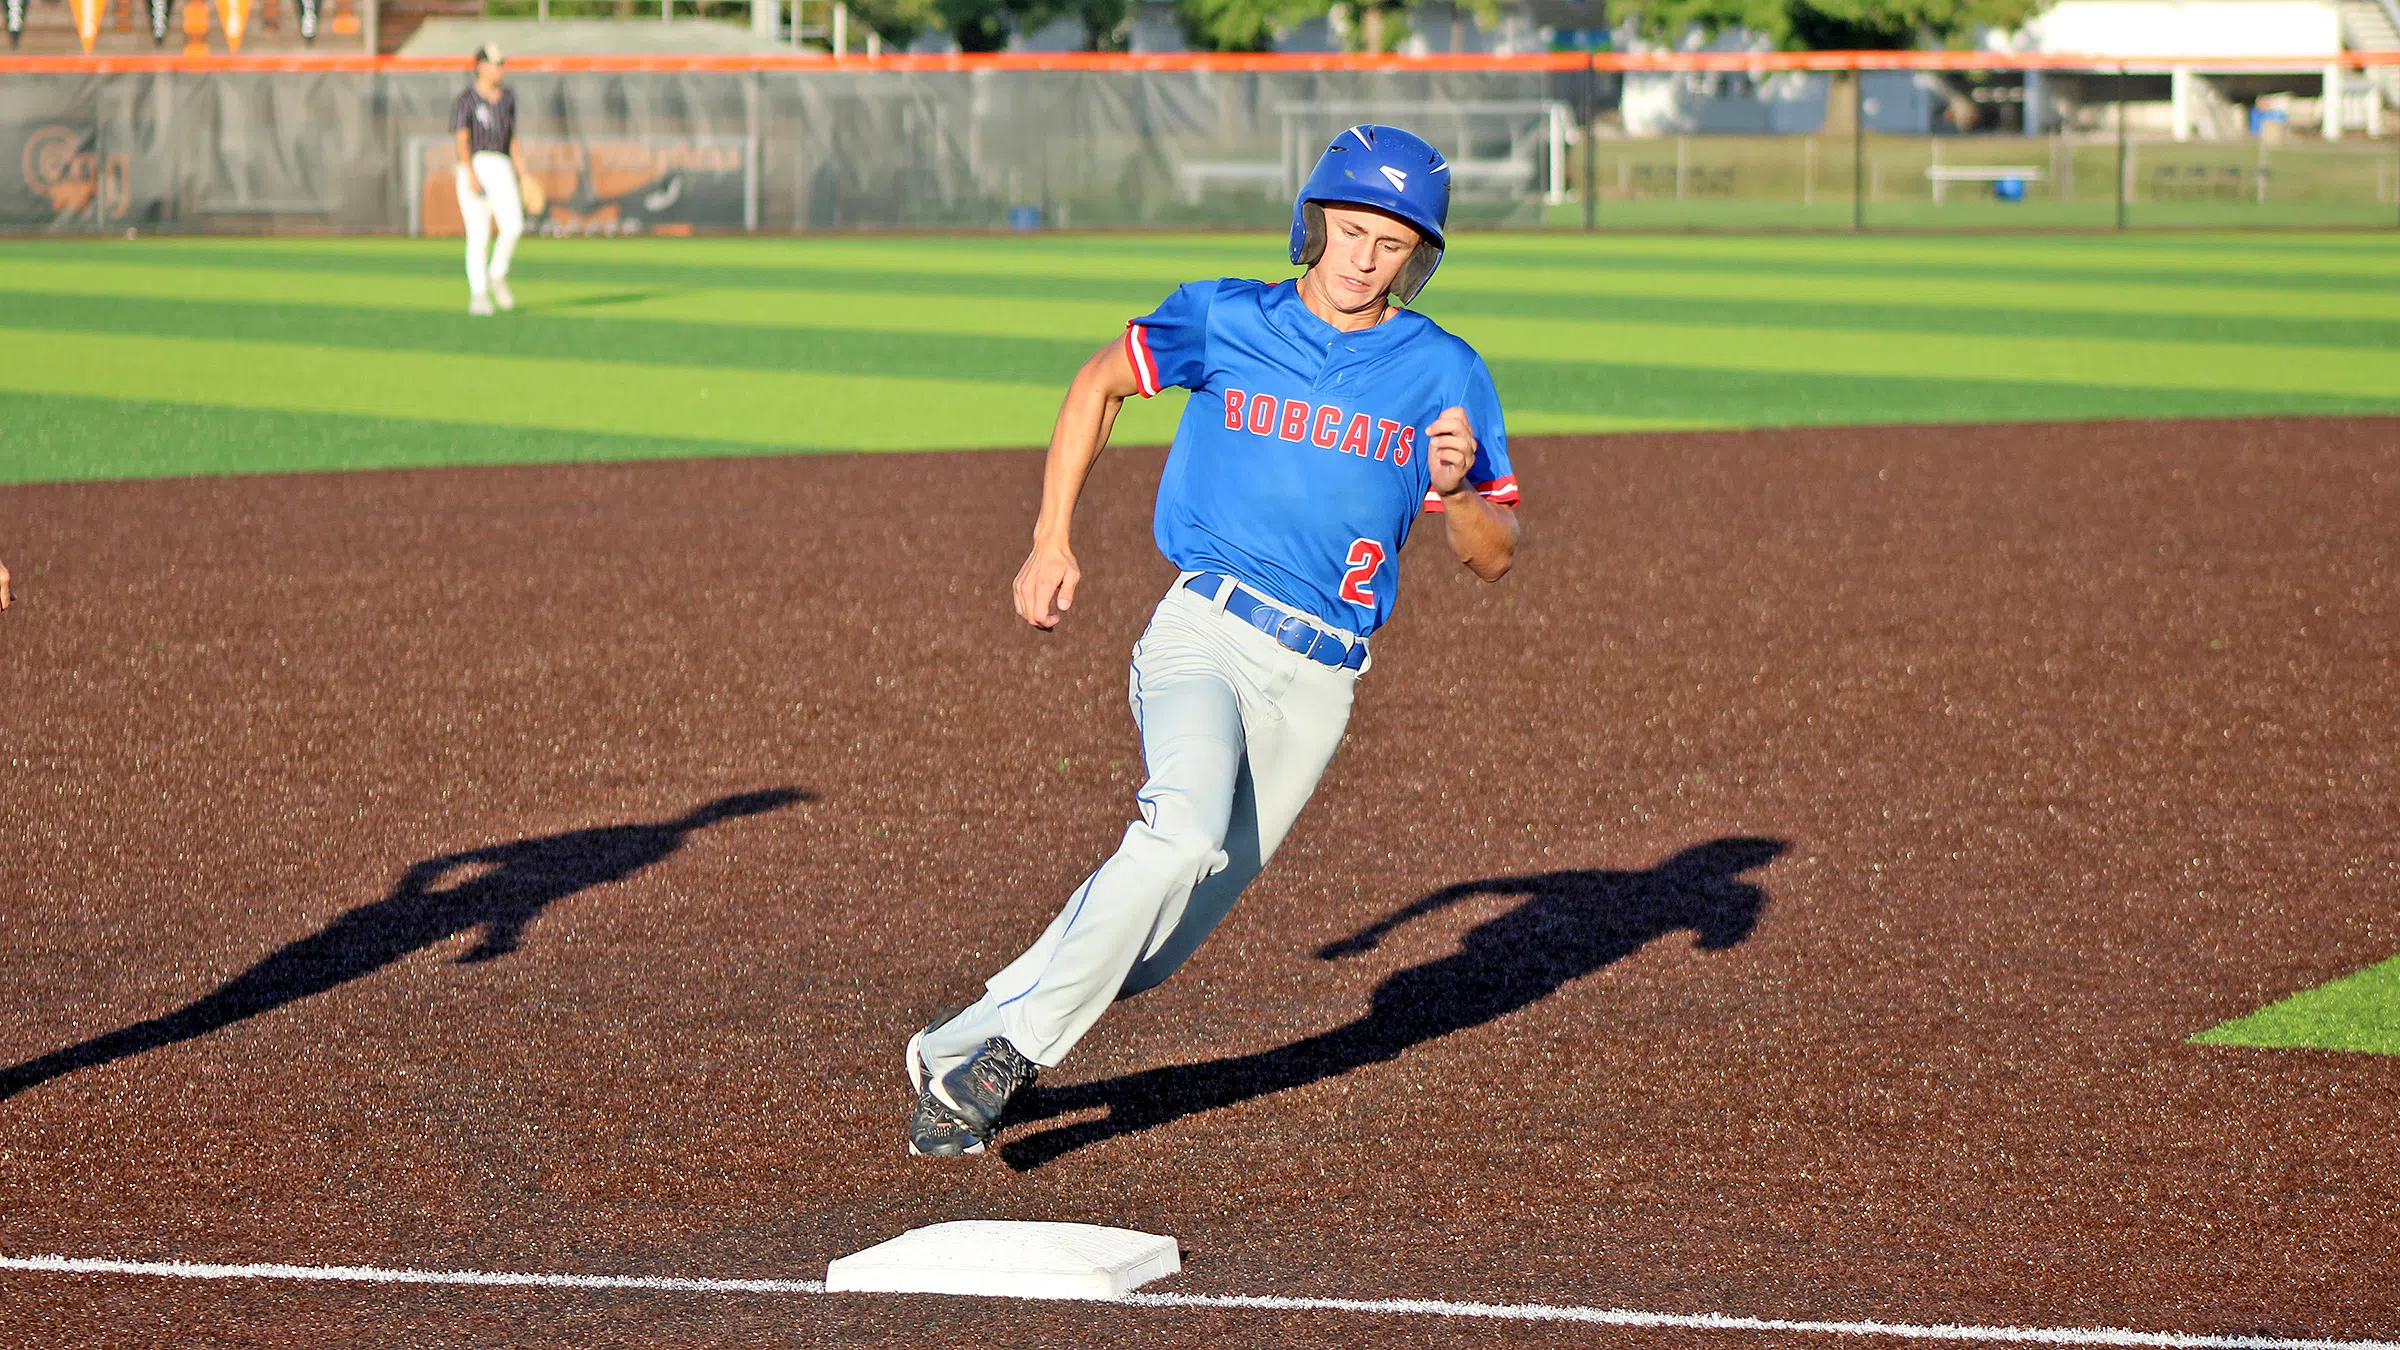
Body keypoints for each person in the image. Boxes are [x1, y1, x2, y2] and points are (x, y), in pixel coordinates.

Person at [904, 124, 1521, 1158]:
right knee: (1180, 833)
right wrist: (1050, 538)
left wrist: (1456, 493)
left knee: (1156, 945)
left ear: (1421, 256)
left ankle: (955, 1044)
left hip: (1320, 686)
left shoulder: (1444, 370)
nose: (1364, 257)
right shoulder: (1228, 316)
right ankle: (1011, 1065)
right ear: (1314, 221)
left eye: (1392, 242)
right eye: (1351, 228)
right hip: (1205, 628)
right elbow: (1096, 385)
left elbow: (1494, 553)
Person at [450, 43, 529, 317]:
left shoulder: (507, 98)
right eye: (495, 64)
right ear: (480, 67)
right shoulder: (466, 100)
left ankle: (497, 273)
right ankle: (479, 294)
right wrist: (469, 172)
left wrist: (524, 174)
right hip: (476, 162)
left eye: (501, 64)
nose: (499, 69)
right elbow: (462, 140)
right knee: (479, 233)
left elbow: (513, 139)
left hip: (502, 163)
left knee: (514, 226)